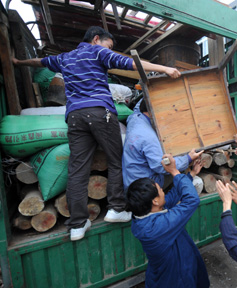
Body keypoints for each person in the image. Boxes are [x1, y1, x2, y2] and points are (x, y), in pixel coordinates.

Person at [12, 26, 181, 241]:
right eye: (109, 45)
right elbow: (131, 63)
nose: (109, 50)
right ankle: (116, 209)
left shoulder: (65, 58)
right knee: (116, 160)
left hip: (74, 117)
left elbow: (39, 62)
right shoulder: (97, 51)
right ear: (96, 39)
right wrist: (165, 69)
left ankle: (77, 225)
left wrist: (19, 63)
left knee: (77, 169)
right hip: (100, 113)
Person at [126, 154, 209, 288]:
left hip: (167, 271)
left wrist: (191, 174)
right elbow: (192, 200)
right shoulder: (155, 227)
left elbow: (171, 196)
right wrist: (174, 171)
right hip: (176, 279)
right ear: (155, 201)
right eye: (160, 190)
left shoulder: (145, 213)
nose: (163, 192)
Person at [122, 99, 203, 190]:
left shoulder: (134, 118)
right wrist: (188, 158)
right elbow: (162, 166)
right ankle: (175, 196)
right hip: (145, 188)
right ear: (154, 111)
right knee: (179, 170)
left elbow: (139, 106)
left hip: (131, 179)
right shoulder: (148, 137)